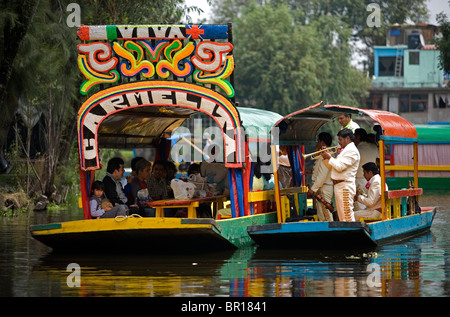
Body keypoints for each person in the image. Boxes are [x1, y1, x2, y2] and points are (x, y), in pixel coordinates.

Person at [321, 129, 360, 222]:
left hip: (345, 186)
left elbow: (339, 166)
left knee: (347, 216)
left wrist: (329, 157)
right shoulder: (345, 151)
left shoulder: (352, 151)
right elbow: (333, 168)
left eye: (340, 139)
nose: (338, 142)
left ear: (347, 139)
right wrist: (326, 158)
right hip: (341, 186)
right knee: (343, 216)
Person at [309, 132, 334, 222]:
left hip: (324, 188)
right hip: (322, 188)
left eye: (318, 141)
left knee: (326, 214)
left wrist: (313, 189)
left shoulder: (325, 156)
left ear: (322, 143)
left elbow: (321, 176)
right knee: (322, 215)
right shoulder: (323, 155)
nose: (317, 144)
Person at [354, 128, 380, 200]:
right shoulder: (373, 147)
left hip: (359, 179)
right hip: (371, 179)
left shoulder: (356, 149)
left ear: (358, 137)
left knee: (361, 204)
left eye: (354, 137)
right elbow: (379, 162)